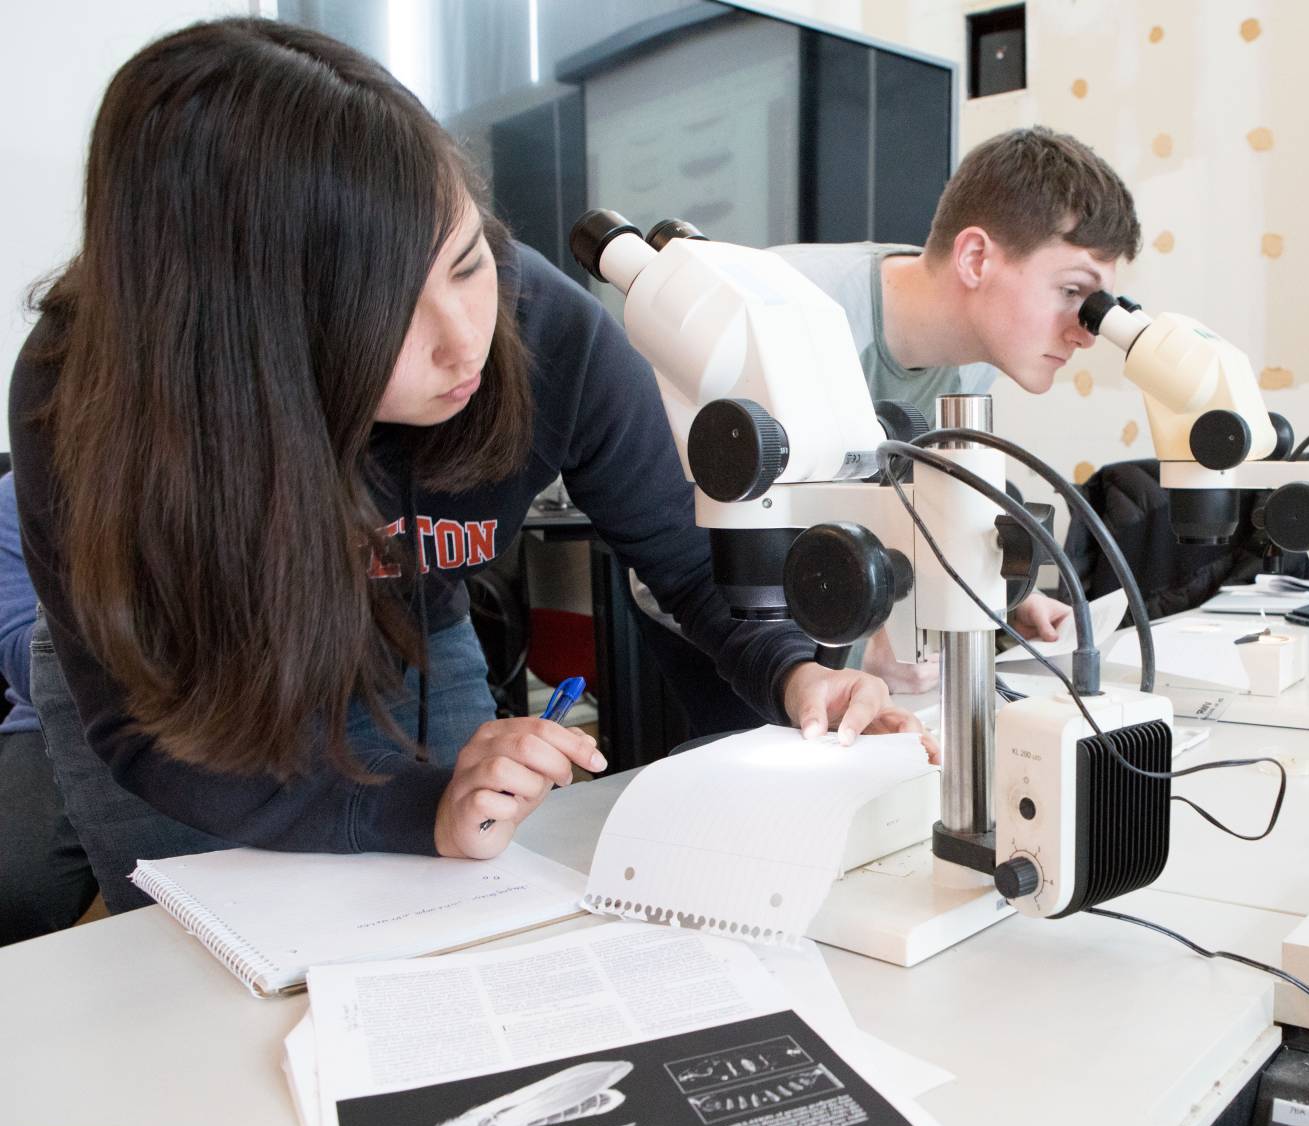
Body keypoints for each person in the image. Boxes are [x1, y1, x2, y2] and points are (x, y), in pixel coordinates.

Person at [8, 18, 922, 918]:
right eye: (387, 315)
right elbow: (140, 731)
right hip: (186, 679)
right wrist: (412, 807)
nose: (463, 343)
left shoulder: (550, 333)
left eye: (467, 263)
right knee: (198, 971)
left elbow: (687, 564)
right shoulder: (88, 389)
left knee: (457, 913)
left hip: (411, 635)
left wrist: (797, 675)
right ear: (253, 334)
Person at [632, 126, 1142, 698]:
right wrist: (855, 645)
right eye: (1072, 292)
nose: (1085, 334)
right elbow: (684, 541)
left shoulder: (971, 361)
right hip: (719, 635)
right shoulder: (785, 311)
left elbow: (906, 508)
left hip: (839, 620)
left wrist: (996, 596)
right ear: (975, 258)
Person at [0, 471, 90, 944]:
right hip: (59, 718)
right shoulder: (18, 495)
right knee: (16, 887)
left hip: (239, 710)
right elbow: (21, 656)